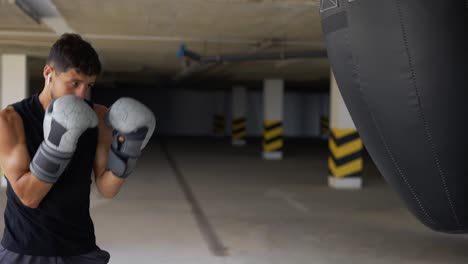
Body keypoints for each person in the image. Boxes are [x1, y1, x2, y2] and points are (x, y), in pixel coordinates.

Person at [0, 33, 156, 263]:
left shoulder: (99, 117)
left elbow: (107, 188)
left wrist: (129, 151)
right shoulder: (11, 121)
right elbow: (28, 197)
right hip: (25, 249)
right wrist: (57, 145)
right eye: (74, 83)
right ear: (48, 74)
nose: (82, 95)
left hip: (79, 248)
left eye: (88, 85)